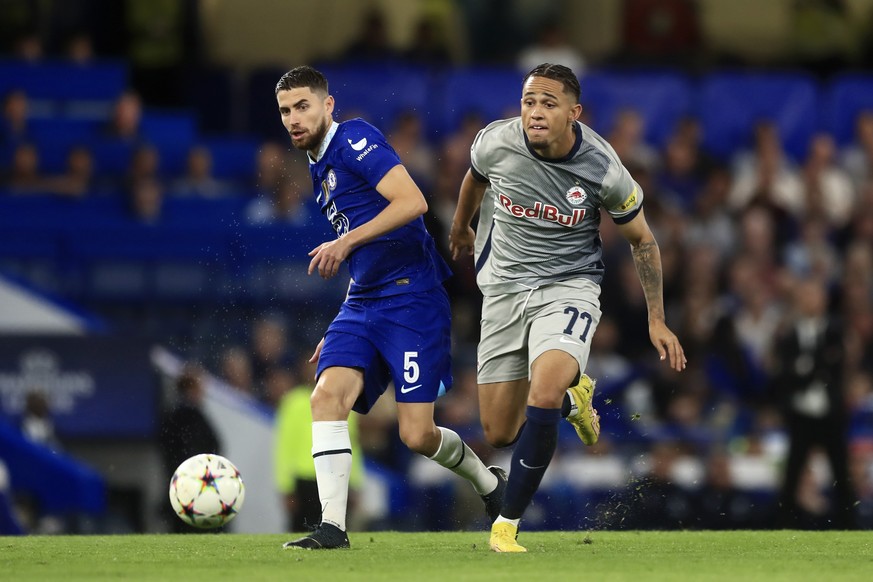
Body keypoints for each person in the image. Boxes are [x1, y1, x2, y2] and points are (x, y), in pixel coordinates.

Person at [449, 63, 686, 552]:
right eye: (528, 101)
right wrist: (460, 227)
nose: (534, 113)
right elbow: (475, 178)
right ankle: (573, 396)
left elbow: (643, 241)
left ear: (573, 113)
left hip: (568, 288)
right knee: (499, 430)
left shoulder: (601, 166)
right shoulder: (495, 142)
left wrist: (656, 318)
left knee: (543, 388)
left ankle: (506, 524)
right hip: (504, 293)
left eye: (548, 103)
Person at [274, 65, 507, 550]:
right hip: (363, 301)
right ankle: (332, 528)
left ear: (328, 105)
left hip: (411, 297)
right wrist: (341, 318)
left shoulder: (354, 139)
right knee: (325, 397)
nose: (294, 119)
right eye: (285, 111)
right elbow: (364, 248)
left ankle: (489, 485)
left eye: (302, 106)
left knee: (417, 435)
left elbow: (412, 202)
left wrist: (343, 243)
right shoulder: (319, 167)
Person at [770, 276, 857, 529]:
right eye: (806, 295)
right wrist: (818, 368)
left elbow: (837, 366)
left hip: (830, 414)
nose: (810, 300)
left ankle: (849, 526)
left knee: (841, 473)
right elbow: (785, 376)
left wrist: (805, 370)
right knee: (792, 473)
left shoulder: (836, 330)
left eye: (815, 295)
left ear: (824, 299)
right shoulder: (789, 333)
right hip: (800, 414)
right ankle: (784, 525)